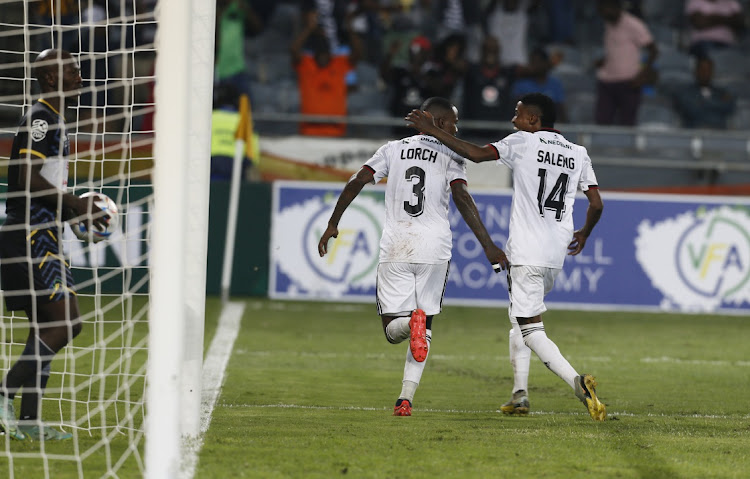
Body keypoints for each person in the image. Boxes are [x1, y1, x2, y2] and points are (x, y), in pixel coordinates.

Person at [405, 92, 606, 421]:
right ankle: (520, 393)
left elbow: (477, 154)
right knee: (519, 318)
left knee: (531, 329)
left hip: (526, 252)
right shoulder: (578, 153)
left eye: (517, 114)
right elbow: (596, 204)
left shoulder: (523, 141)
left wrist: (433, 131)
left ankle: (577, 383)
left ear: (532, 120)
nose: (513, 120)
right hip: (555, 252)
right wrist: (584, 232)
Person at [318, 97, 508, 417]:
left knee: (394, 330)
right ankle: (405, 396)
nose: (457, 128)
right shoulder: (451, 152)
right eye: (454, 123)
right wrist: (487, 244)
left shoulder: (393, 148)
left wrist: (333, 221)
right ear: (441, 123)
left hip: (396, 245)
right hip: (434, 249)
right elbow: (461, 197)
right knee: (426, 324)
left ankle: (409, 332)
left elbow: (359, 180)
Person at [0, 49, 109, 441]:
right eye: (69, 68)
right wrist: (76, 204)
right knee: (66, 323)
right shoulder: (42, 117)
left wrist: (73, 214)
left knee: (47, 326)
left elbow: (40, 185)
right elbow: (25, 178)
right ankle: (4, 392)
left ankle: (29, 422)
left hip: (43, 231)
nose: (78, 72)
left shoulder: (56, 118)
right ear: (49, 78)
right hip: (29, 234)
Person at [291, 10, 362, 137]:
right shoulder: (307, 64)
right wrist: (309, 29)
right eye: (320, 51)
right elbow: (294, 50)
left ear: (331, 53)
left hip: (336, 131)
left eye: (326, 51)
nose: (323, 55)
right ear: (315, 53)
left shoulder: (339, 63)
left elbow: (357, 53)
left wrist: (350, 27)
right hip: (309, 131)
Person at [594, 0, 657, 126]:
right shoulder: (608, 24)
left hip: (629, 82)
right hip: (607, 81)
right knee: (602, 123)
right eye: (601, 9)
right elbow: (619, 48)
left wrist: (643, 74)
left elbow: (653, 50)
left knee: (627, 125)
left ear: (616, 7)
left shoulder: (633, 24)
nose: (603, 12)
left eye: (606, 8)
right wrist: (604, 60)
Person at [670, 55, 736, 129]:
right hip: (692, 133)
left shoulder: (722, 92)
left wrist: (702, 103)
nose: (705, 73)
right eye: (702, 70)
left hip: (719, 133)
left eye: (708, 70)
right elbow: (692, 111)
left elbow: (729, 108)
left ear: (712, 72)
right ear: (695, 71)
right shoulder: (684, 92)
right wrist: (717, 103)